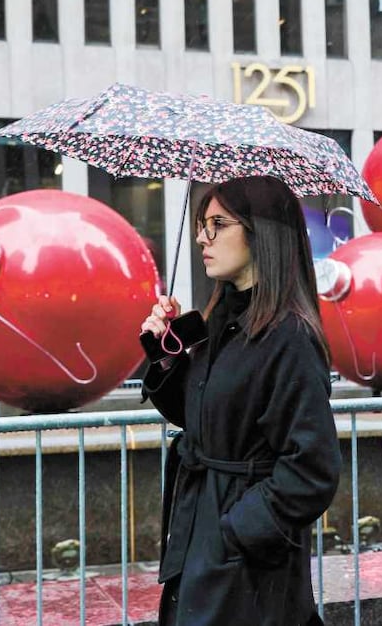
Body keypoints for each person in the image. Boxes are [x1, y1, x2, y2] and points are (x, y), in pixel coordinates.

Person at [139, 175, 341, 626]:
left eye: (217, 225)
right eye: (200, 225)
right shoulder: (224, 321)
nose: (201, 238)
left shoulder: (290, 337)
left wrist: (239, 529)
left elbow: (312, 470)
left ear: (259, 232)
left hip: (246, 557)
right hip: (202, 529)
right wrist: (165, 353)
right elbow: (200, 419)